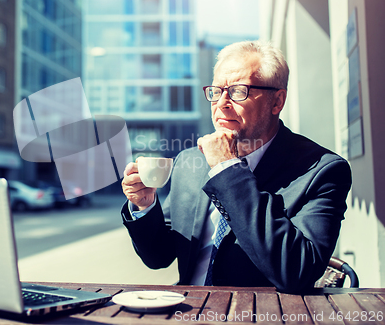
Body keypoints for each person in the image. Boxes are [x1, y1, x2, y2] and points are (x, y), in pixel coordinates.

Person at [121, 40, 351, 293]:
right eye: (216, 91)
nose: (222, 103)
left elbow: (296, 271)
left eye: (238, 91)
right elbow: (159, 257)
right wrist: (144, 206)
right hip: (187, 310)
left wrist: (227, 170)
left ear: (277, 102)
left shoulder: (323, 171)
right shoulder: (190, 161)